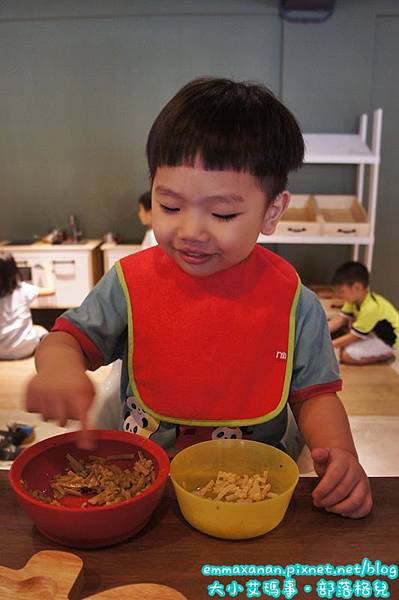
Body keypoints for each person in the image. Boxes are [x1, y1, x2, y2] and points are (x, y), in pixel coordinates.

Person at [26, 77, 372, 518]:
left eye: (223, 213)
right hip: (143, 486)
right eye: (169, 206)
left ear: (272, 212)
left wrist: (341, 457)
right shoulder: (130, 282)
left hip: (252, 491)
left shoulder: (293, 301)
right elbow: (66, 339)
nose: (190, 231)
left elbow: (315, 396)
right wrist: (58, 368)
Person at [329, 261, 399, 365]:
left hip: (387, 340)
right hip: (370, 333)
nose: (339, 295)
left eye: (342, 291)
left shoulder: (371, 307)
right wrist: (319, 332)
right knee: (340, 337)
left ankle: (387, 353)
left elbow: (354, 336)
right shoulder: (353, 300)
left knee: (346, 355)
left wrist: (327, 345)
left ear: (357, 287)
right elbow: (340, 320)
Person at [0, 252, 49, 360]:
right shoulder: (23, 289)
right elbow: (50, 291)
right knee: (41, 330)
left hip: (0, 351)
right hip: (25, 349)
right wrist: (48, 271)